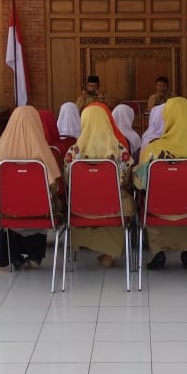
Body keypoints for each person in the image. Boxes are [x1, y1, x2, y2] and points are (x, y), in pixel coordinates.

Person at [134, 97, 187, 270]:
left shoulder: (153, 149)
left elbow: (140, 183)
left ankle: (157, 252)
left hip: (157, 211)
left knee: (148, 199)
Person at [0, 106, 62, 269]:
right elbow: (53, 185)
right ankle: (35, 255)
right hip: (40, 211)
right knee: (46, 203)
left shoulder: (0, 149)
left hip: (9, 210)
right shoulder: (42, 149)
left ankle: (13, 255)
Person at [63, 105, 136, 268]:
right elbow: (125, 180)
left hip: (81, 206)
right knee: (123, 201)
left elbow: (68, 181)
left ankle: (85, 244)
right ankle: (110, 252)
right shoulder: (120, 150)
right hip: (113, 205)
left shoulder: (73, 152)